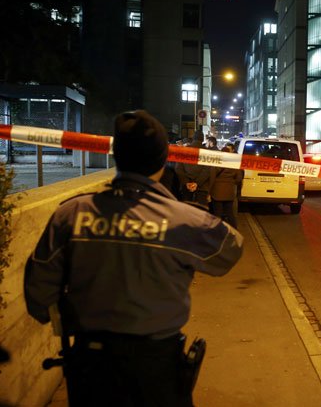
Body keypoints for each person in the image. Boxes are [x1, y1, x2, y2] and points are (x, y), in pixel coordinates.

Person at [24, 110, 244, 407]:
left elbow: (39, 292)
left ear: (116, 156)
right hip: (157, 367)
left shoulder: (71, 214)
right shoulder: (184, 220)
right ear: (164, 159)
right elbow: (228, 252)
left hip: (91, 365)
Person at [210, 144, 243, 229]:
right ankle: (234, 231)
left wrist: (209, 191)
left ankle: (218, 232)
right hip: (229, 192)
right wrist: (232, 182)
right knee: (230, 213)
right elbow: (239, 178)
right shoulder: (234, 163)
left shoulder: (217, 163)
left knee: (217, 214)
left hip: (217, 192)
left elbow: (212, 177)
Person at [176, 131, 212, 207]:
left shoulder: (184, 150)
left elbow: (178, 168)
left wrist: (186, 182)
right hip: (202, 187)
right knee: (201, 212)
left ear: (193, 138)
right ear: (202, 139)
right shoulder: (207, 152)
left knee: (187, 211)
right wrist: (197, 183)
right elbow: (207, 170)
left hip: (186, 187)